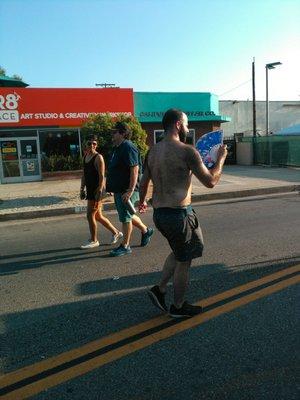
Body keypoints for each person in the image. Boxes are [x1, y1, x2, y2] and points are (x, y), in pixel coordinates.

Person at [139, 109, 227, 318]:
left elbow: (144, 183)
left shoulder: (152, 152)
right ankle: (178, 306)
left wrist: (142, 202)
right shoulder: (187, 151)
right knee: (184, 260)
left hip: (159, 213)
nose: (188, 128)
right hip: (178, 215)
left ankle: (159, 289)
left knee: (180, 251)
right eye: (186, 124)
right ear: (178, 124)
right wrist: (221, 158)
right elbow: (211, 181)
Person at [106, 122, 154, 257]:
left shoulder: (128, 147)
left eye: (114, 132)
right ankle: (146, 230)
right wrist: (110, 186)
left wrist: (130, 190)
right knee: (128, 215)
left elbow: (135, 168)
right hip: (119, 189)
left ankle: (125, 246)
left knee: (125, 218)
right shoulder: (117, 147)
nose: (112, 134)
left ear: (122, 133)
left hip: (127, 190)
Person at [80, 134, 123, 249]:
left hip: (97, 190)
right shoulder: (85, 157)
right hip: (89, 189)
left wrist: (99, 190)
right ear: (86, 144)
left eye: (94, 143)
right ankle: (116, 232)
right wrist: (81, 188)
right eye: (90, 143)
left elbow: (102, 175)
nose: (92, 146)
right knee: (98, 216)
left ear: (96, 145)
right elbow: (84, 174)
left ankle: (94, 240)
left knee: (90, 215)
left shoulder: (98, 157)